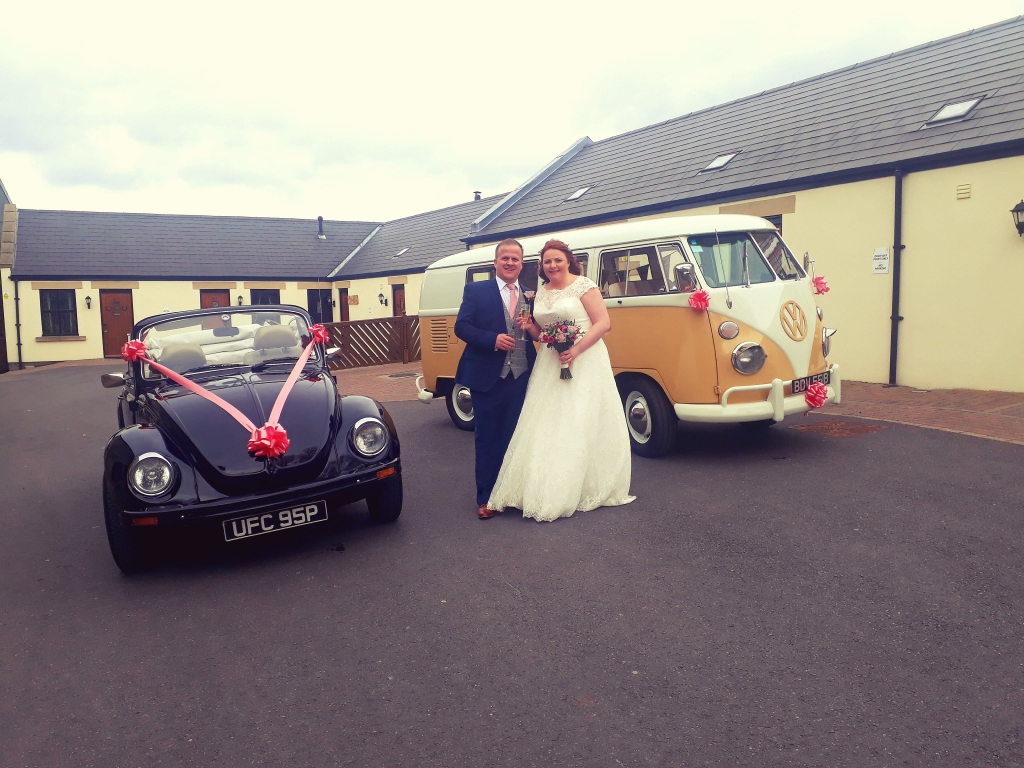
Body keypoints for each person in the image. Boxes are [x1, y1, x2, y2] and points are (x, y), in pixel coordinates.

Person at [487, 239, 634, 522]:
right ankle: (541, 485)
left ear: (568, 260)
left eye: (557, 260)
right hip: (550, 362)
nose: (552, 265)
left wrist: (575, 349)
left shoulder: (584, 285)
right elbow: (541, 335)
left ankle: (580, 486)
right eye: (546, 262)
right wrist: (529, 327)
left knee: (579, 417)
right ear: (541, 267)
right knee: (547, 420)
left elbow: (603, 323)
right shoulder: (541, 292)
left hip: (585, 358)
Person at [454, 238, 537, 519]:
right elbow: (462, 327)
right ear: (495, 262)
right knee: (487, 438)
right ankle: (487, 498)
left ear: (521, 264)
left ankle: (513, 493)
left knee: (516, 437)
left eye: (515, 259)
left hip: (523, 375)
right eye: (505, 258)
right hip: (487, 376)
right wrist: (492, 339)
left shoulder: (530, 294)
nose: (510, 263)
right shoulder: (476, 290)